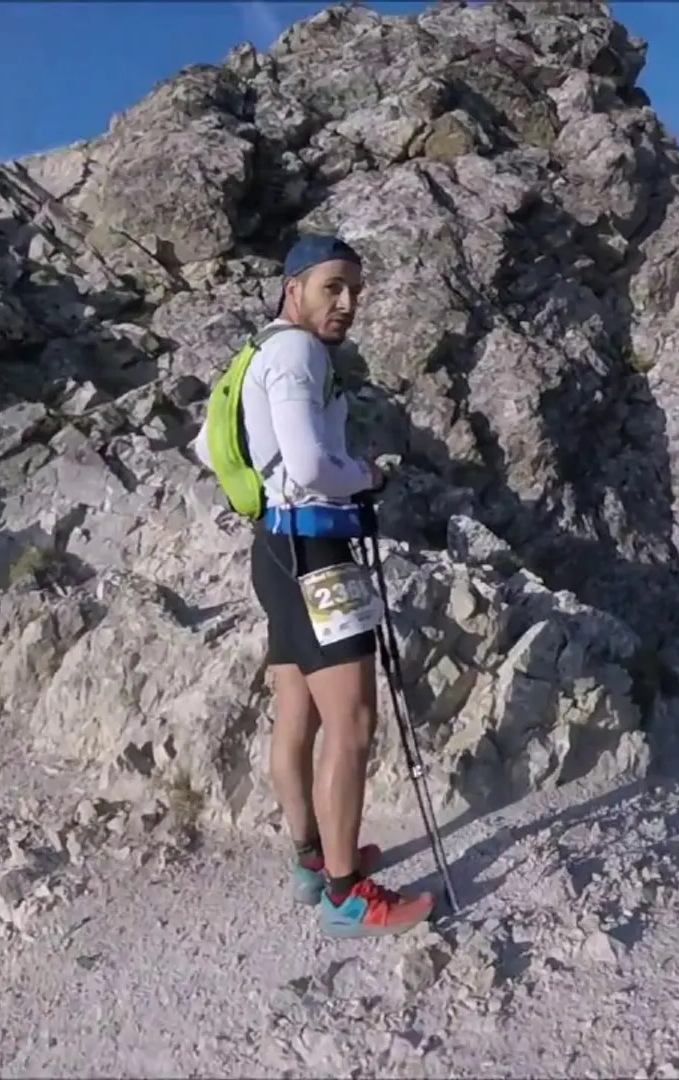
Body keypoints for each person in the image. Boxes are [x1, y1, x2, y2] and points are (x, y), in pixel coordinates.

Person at [193, 234, 434, 936]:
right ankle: (345, 894)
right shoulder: (298, 353)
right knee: (353, 721)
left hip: (274, 546)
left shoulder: (256, 354)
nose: (348, 303)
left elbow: (209, 444)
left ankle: (312, 860)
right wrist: (367, 475)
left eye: (355, 290)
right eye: (333, 287)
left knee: (295, 710)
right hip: (317, 549)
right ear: (292, 287)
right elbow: (310, 462)